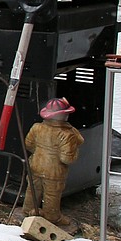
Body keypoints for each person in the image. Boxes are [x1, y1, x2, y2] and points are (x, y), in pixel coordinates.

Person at [23, 97, 84, 228]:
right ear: (63, 115)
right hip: (54, 171)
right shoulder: (67, 134)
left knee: (32, 189)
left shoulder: (37, 127)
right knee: (52, 194)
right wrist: (75, 152)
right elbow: (66, 158)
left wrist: (40, 154)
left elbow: (28, 144)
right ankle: (52, 217)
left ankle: (28, 210)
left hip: (35, 165)